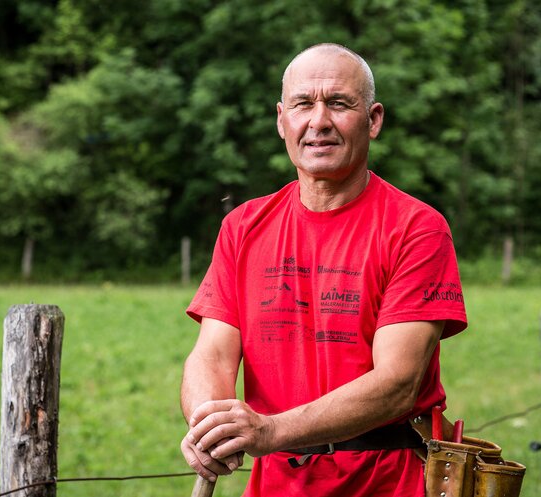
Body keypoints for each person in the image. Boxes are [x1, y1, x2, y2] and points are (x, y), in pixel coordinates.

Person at [180, 43, 468, 497]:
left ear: (372, 120)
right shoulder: (243, 227)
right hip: (277, 484)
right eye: (302, 104)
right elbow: (213, 353)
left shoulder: (417, 229)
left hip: (391, 483)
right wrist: (208, 424)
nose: (318, 121)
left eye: (338, 103)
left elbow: (398, 384)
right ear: (281, 120)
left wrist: (269, 431)